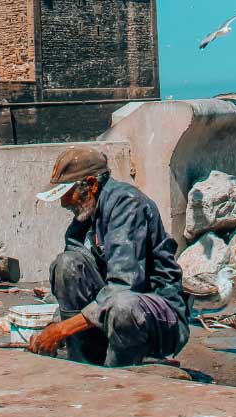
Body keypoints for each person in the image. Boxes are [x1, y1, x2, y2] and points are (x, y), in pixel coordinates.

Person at [28, 146, 189, 367]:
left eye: (68, 193)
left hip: (158, 319)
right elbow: (75, 279)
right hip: (110, 316)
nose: (64, 202)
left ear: (92, 185)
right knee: (66, 265)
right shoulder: (86, 214)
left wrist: (61, 330)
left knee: (122, 306)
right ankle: (81, 365)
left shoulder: (127, 204)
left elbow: (122, 288)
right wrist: (54, 329)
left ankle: (117, 376)